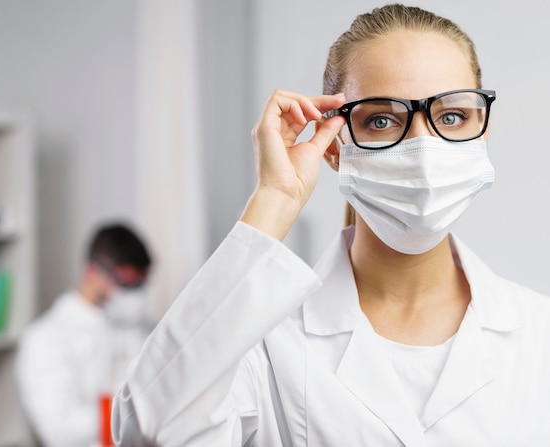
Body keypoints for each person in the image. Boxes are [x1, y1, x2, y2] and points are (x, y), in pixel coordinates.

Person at [111, 4, 550, 446]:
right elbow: (152, 432)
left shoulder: (538, 336)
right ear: (334, 146)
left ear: (482, 129)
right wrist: (274, 200)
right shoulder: (262, 343)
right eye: (381, 120)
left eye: (451, 116)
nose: (423, 148)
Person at [16, 222, 154, 447]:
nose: (134, 293)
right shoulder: (45, 338)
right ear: (92, 271)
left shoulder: (143, 328)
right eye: (125, 282)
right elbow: (60, 431)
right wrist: (136, 411)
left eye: (141, 283)